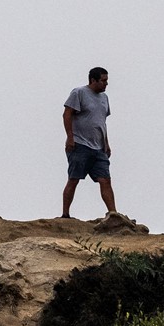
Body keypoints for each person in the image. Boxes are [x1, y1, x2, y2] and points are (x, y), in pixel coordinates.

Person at [61, 67, 115, 219]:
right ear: (93, 80)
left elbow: (101, 122)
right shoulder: (79, 93)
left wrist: (106, 143)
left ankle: (113, 214)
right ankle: (65, 214)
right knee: (74, 178)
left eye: (107, 80)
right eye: (103, 81)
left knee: (105, 179)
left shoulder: (104, 98)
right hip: (79, 144)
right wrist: (70, 137)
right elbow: (67, 114)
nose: (106, 84)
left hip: (99, 147)